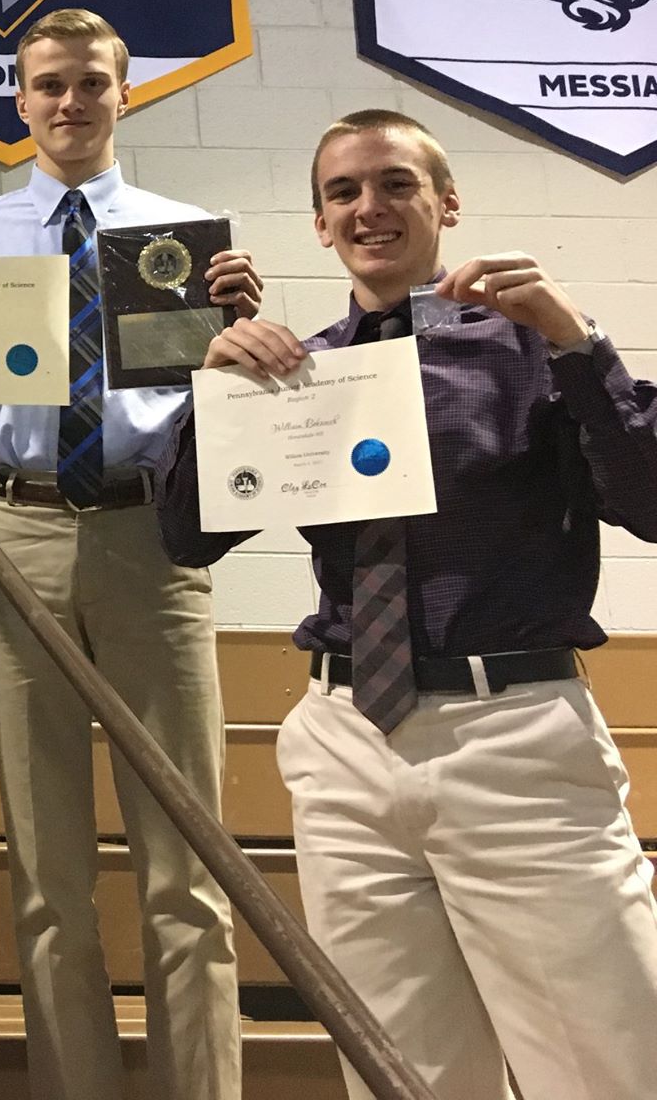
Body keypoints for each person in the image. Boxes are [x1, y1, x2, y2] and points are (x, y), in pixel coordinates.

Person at [157, 109, 657, 1100]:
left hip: (512, 737)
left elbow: (647, 500)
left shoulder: (531, 352)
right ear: (318, 223)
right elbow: (187, 538)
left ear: (446, 204)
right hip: (345, 741)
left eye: (394, 184)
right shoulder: (295, 372)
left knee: (608, 1064)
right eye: (341, 192)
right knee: (399, 1074)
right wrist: (210, 399)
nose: (367, 208)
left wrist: (578, 340)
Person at [0, 8, 256, 1100]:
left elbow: (229, 414)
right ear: (18, 100)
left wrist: (240, 333)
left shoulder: (187, 235)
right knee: (47, 873)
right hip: (16, 530)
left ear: (124, 93)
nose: (69, 102)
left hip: (152, 538)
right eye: (48, 84)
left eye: (90, 82)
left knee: (188, 864)